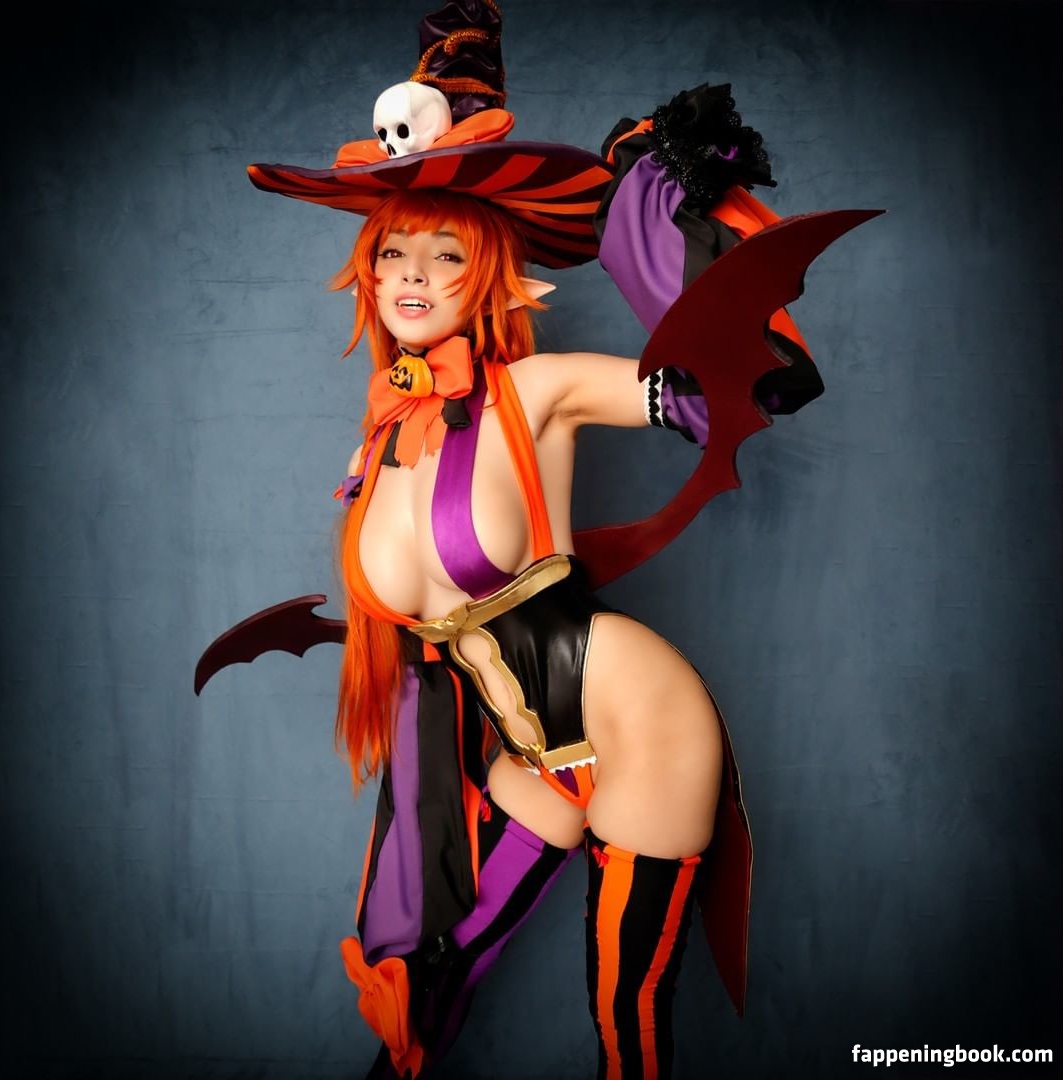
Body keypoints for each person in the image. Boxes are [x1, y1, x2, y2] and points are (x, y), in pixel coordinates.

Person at [243, 3, 828, 1076]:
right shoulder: (380, 444)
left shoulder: (541, 390)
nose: (411, 277)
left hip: (639, 718)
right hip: (534, 756)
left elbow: (733, 391)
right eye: (393, 253)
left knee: (625, 1021)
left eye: (445, 256)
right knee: (430, 979)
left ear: (490, 271)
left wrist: (656, 215)